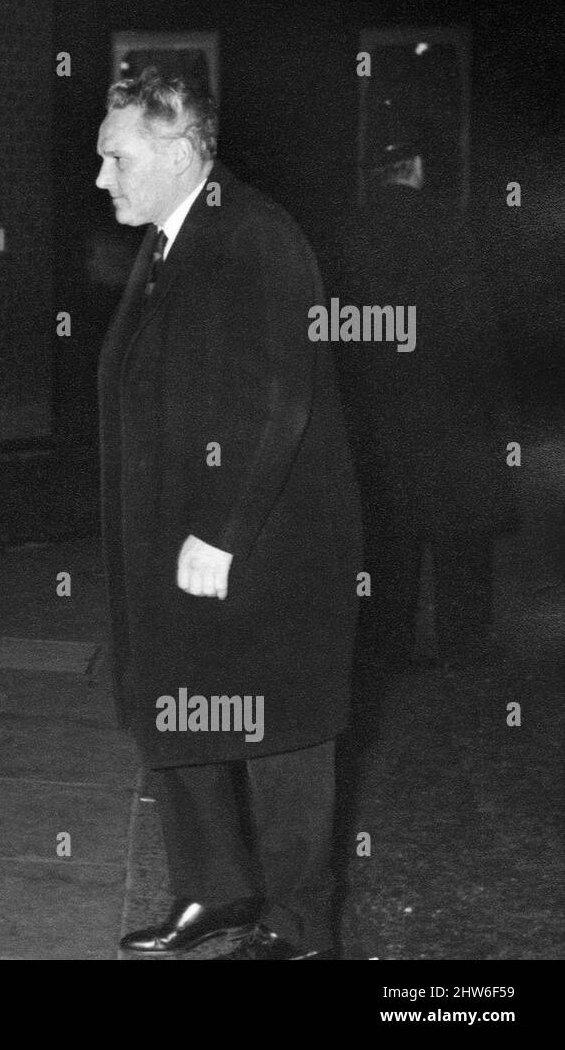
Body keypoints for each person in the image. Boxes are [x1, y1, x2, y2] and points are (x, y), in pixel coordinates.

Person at [95, 68, 362, 959]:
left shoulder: (256, 234)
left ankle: (299, 926)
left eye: (117, 157)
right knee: (182, 707)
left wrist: (223, 531)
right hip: (176, 538)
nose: (103, 178)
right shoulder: (173, 236)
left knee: (275, 729)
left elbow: (280, 397)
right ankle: (216, 890)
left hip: (261, 542)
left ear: (178, 152)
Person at [328, 126, 502, 671]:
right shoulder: (452, 228)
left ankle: (386, 645)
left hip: (379, 410)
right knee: (461, 536)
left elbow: (334, 328)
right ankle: (463, 646)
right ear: (419, 170)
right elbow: (479, 325)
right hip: (450, 408)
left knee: (387, 535)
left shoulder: (348, 234)